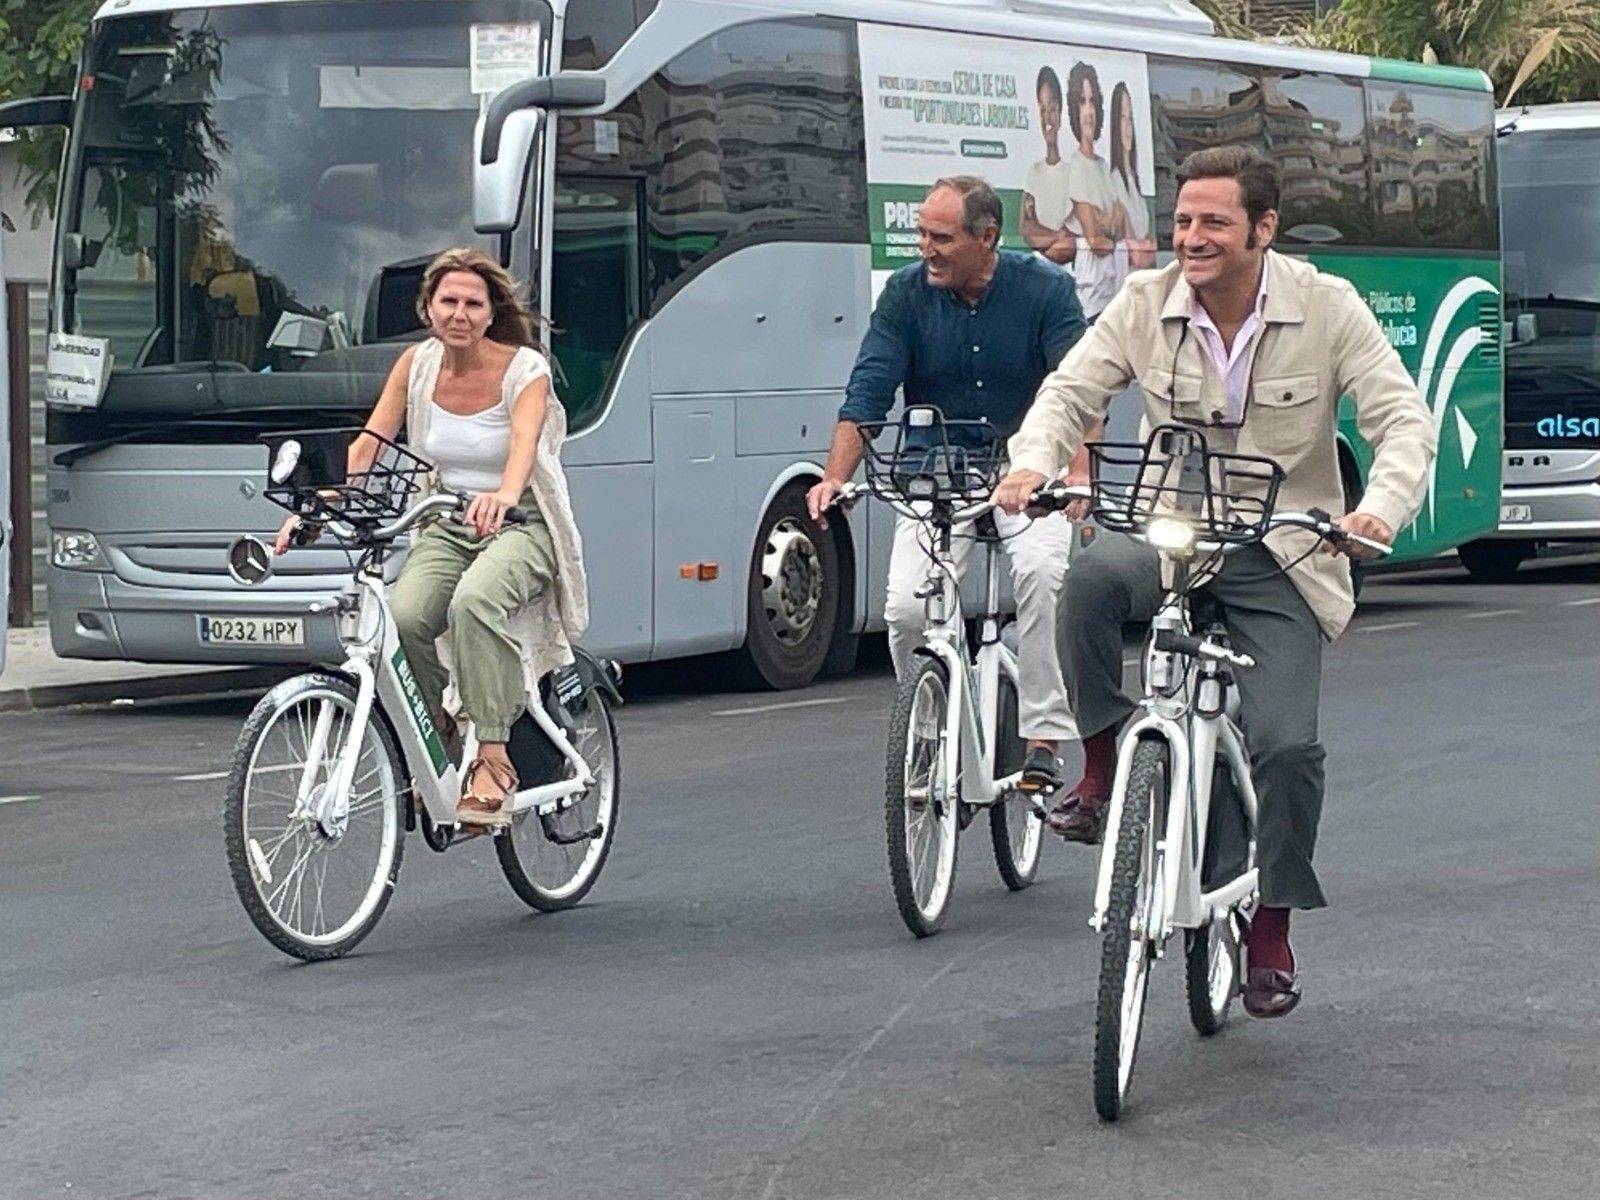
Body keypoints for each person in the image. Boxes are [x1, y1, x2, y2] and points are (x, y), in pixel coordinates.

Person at [991, 146, 1436, 1017]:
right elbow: (1069, 392)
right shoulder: (1144, 301)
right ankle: (1104, 760)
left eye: (1213, 223)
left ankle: (1271, 921)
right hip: (1173, 536)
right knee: (1084, 587)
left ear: (1262, 231)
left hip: (1283, 551)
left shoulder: (1326, 307)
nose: (1191, 239)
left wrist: (1377, 510)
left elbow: (1402, 420)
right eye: (1183, 222)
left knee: (1287, 747)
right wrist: (1031, 464)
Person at [274, 247, 589, 830]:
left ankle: (493, 759)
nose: (460, 313)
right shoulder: (416, 365)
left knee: (474, 602)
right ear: (428, 307)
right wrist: (317, 505)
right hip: (446, 519)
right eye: (449, 301)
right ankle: (439, 736)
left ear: (491, 313)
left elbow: (523, 446)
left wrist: (500, 495)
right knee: (406, 617)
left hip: (522, 521)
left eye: (473, 303)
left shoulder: (525, 370)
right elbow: (370, 444)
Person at [807, 176, 1089, 790]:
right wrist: (835, 478)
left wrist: (1078, 478)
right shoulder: (906, 296)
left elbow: (1079, 392)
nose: (925, 249)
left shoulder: (1047, 290)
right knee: (907, 609)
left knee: (1043, 577)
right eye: (921, 235)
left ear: (987, 238)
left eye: (940, 237)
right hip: (937, 477)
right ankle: (929, 725)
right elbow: (867, 392)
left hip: (1029, 472)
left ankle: (1041, 735)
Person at [1063, 62, 1123, 318]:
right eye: (1082, 102)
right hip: (1091, 300)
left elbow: (1121, 225)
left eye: (1092, 102)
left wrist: (1107, 222)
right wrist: (1108, 223)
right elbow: (1097, 242)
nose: (1088, 112)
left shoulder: (1103, 166)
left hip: (1111, 292)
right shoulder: (1077, 167)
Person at [1020, 66, 1077, 267]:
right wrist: (1058, 235)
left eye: (1052, 109)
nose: (1048, 119)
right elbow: (1027, 229)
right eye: (1043, 110)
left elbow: (1072, 242)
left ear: (1060, 113)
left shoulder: (1074, 172)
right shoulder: (1033, 172)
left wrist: (1043, 249)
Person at [1107, 81, 1157, 285]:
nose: (1128, 127)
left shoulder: (1134, 182)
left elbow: (1149, 250)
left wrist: (1143, 246)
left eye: (1131, 118)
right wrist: (1143, 245)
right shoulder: (1112, 182)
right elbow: (1139, 256)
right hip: (1124, 289)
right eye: (1122, 118)